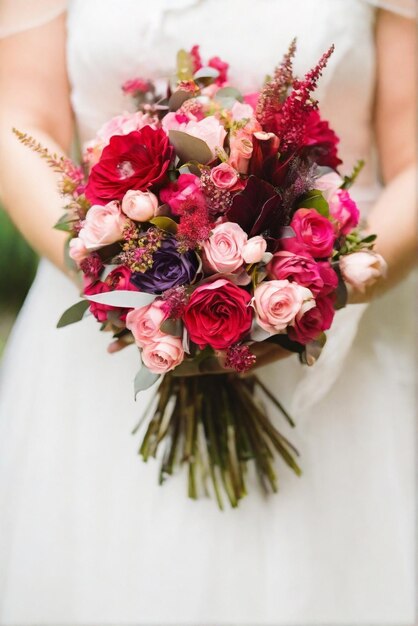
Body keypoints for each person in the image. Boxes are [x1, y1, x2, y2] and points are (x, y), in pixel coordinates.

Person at [0, 0, 416, 623]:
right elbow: (18, 118)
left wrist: (319, 290)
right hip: (101, 344)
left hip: (340, 338)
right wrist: (107, 271)